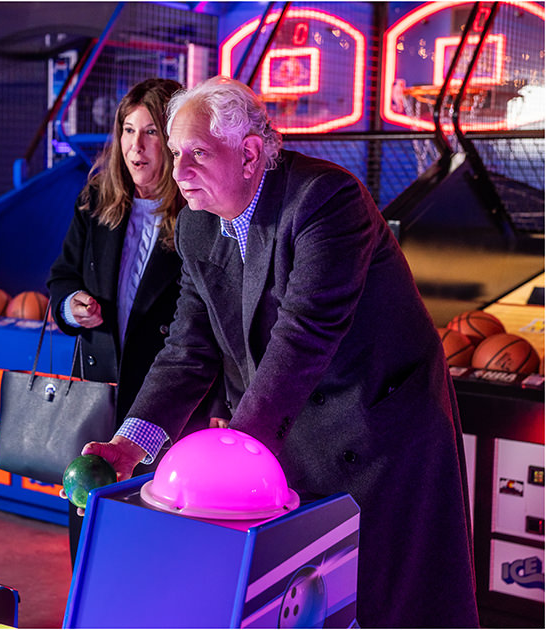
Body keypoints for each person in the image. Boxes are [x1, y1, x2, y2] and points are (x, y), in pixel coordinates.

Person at [84, 77, 479, 628]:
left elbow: (305, 335)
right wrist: (132, 443)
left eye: (197, 153)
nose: (179, 172)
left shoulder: (326, 200)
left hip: (374, 429)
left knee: (389, 603)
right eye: (176, 154)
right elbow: (188, 346)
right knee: (304, 602)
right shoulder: (198, 222)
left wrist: (235, 450)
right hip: (285, 433)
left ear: (249, 154)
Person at [47, 78, 220, 563]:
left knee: (156, 539)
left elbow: (210, 329)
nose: (135, 147)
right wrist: (70, 304)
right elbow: (61, 276)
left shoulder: (200, 213)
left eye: (150, 133)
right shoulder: (95, 202)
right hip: (100, 393)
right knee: (90, 529)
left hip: (169, 408)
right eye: (127, 131)